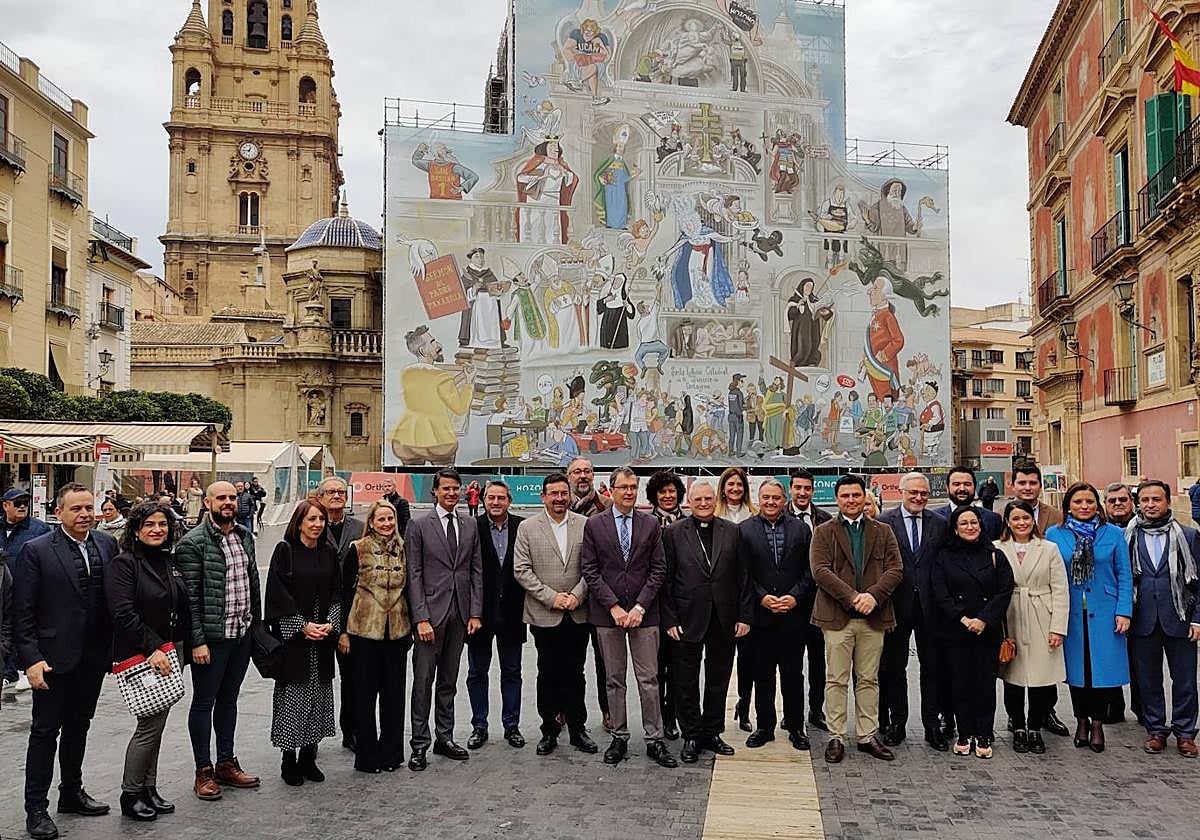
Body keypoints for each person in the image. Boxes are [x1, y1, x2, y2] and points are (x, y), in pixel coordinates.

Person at [13, 484, 118, 840]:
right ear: (58, 513)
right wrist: (31, 659)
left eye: (89, 507)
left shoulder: (106, 544)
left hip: (92, 659)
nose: (85, 514)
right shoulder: (36, 551)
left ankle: (71, 792)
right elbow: (22, 612)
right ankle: (36, 809)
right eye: (76, 509)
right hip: (52, 661)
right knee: (45, 734)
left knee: (79, 728)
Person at [582, 466, 677, 768]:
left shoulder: (650, 524)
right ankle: (619, 736)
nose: (629, 492)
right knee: (614, 679)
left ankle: (654, 738)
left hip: (644, 615)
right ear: (611, 490)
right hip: (608, 614)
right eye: (623, 487)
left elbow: (658, 569)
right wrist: (613, 606)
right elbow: (590, 570)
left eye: (633, 487)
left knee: (649, 678)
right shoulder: (595, 525)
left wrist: (639, 607)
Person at [104, 501, 191, 820]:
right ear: (136, 529)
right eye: (149, 525)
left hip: (170, 651)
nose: (157, 530)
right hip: (144, 654)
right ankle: (130, 794)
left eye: (163, 524)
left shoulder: (167, 560)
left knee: (158, 724)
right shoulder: (124, 564)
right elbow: (122, 614)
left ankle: (148, 788)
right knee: (148, 726)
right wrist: (153, 648)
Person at [175, 481, 262, 801]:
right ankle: (203, 770)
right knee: (203, 703)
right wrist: (197, 641)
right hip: (212, 639)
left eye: (232, 497)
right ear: (208, 502)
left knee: (229, 700)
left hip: (240, 635)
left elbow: (252, 584)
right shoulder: (192, 543)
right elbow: (191, 601)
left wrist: (255, 629)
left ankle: (226, 762)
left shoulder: (243, 536)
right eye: (221, 498)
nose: (228, 502)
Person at [810, 474, 904, 764]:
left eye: (856, 495)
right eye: (845, 496)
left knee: (868, 679)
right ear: (837, 499)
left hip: (873, 617)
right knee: (835, 679)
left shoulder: (883, 531)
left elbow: (895, 569)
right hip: (837, 617)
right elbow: (820, 570)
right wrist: (852, 597)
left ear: (865, 497)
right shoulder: (824, 531)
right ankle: (836, 736)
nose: (851, 500)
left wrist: (873, 596)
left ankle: (866, 735)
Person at [661, 481, 750, 763]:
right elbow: (666, 580)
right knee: (685, 681)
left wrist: (744, 616)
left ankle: (712, 731)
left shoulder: (733, 531)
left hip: (723, 619)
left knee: (718, 679)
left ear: (716, 499)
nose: (703, 503)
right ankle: (691, 734)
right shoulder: (673, 533)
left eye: (708, 499)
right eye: (698, 499)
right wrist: (670, 619)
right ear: (689, 501)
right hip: (687, 619)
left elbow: (744, 578)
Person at [513, 473, 597, 756]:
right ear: (543, 496)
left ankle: (577, 729)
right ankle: (549, 729)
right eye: (554, 493)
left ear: (570, 495)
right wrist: (552, 598)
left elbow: (593, 566)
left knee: (576, 672)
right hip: (544, 613)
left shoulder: (586, 526)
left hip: (577, 611)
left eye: (564, 493)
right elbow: (522, 570)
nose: (559, 498)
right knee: (547, 673)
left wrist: (576, 595)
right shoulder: (527, 527)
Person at [1045, 482, 1132, 754]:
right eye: (1078, 502)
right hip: (1070, 611)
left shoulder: (1113, 534)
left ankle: (1097, 724)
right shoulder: (1055, 534)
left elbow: (1124, 574)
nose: (1084, 507)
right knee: (1078, 672)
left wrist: (1124, 610)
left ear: (1098, 505)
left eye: (1090, 502)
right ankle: (1080, 720)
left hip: (1105, 610)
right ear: (1068, 505)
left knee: (1101, 672)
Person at [405, 468, 483, 771]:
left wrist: (475, 612)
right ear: (434, 492)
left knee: (449, 681)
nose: (452, 493)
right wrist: (420, 617)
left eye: (456, 488)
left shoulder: (470, 525)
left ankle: (444, 736)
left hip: (460, 614)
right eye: (446, 489)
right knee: (423, 681)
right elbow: (414, 574)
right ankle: (419, 744)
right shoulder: (419, 525)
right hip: (430, 616)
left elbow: (475, 570)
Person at [265, 499, 341, 786]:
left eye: (320, 519)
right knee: (293, 698)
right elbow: (276, 593)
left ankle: (309, 756)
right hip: (294, 640)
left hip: (322, 638)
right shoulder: (285, 551)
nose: (317, 525)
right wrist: (301, 626)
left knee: (318, 697)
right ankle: (289, 758)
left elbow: (337, 591)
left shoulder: (329, 552)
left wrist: (331, 624)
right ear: (299, 522)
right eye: (311, 519)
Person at [929, 507, 1014, 759]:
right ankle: (965, 732)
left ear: (981, 525)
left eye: (974, 522)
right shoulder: (944, 556)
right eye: (963, 523)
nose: (969, 527)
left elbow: (1004, 590)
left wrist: (984, 619)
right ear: (955, 528)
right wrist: (963, 618)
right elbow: (940, 591)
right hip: (956, 630)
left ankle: (984, 732)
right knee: (960, 684)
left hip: (986, 630)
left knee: (985, 685)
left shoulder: (995, 555)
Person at [1125, 480, 1200, 757]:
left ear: (1167, 501)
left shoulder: (1189, 536)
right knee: (1148, 679)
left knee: (1185, 680)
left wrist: (1198, 619)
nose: (1150, 505)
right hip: (1142, 619)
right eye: (1145, 500)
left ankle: (1185, 733)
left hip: (1180, 618)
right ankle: (1156, 730)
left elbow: (1198, 582)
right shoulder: (1128, 535)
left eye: (1156, 499)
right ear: (1139, 503)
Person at [876, 472, 950, 750]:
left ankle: (932, 725)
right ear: (901, 492)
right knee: (894, 668)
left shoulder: (940, 524)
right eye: (913, 493)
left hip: (931, 608)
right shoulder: (884, 523)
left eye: (924, 494)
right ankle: (897, 723)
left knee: (933, 668)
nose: (919, 498)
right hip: (896, 606)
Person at [339, 500, 411, 774]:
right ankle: (368, 757)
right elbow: (345, 592)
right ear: (370, 522)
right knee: (365, 696)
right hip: (364, 632)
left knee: (394, 697)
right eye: (381, 519)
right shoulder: (357, 549)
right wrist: (343, 632)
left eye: (390, 519)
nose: (386, 524)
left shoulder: (403, 550)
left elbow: (409, 589)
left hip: (396, 632)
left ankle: (391, 754)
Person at [741, 479, 814, 750]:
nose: (771, 502)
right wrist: (762, 597)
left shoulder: (801, 530)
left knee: (793, 674)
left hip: (793, 616)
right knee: (763, 674)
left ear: (784, 500)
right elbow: (742, 572)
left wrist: (795, 596)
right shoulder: (744, 530)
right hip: (761, 617)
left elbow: (810, 570)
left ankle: (796, 727)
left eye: (776, 498)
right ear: (759, 499)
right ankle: (765, 727)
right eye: (766, 497)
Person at [996, 501, 1068, 755]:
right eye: (1016, 518)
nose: (1022, 523)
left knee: (1041, 677)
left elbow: (1060, 589)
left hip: (1041, 615)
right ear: (1007, 522)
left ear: (1033, 520)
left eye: (1026, 518)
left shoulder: (1049, 548)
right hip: (1011, 615)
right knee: (1012, 676)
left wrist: (1058, 627)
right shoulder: (997, 548)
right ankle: (1018, 725)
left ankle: (1035, 726)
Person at [1008, 462, 1069, 735]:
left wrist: (1058, 623)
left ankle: (1046, 713)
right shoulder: (1001, 516)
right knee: (1013, 667)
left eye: (1033, 483)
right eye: (1022, 483)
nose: (1028, 488)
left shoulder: (1055, 516)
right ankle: (1016, 720)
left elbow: (1059, 580)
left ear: (1039, 486)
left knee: (1045, 667)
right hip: (1013, 608)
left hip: (1042, 602)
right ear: (1014, 485)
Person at [466, 481, 527, 750]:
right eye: (491, 498)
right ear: (483, 500)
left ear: (509, 501)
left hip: (513, 612)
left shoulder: (522, 527)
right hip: (480, 613)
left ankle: (511, 725)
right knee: (477, 672)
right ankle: (479, 725)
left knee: (512, 671)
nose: (495, 502)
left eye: (501, 498)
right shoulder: (472, 528)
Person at [317, 477, 365, 752]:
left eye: (340, 492)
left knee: (353, 676)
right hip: (317, 611)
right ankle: (311, 736)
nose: (336, 496)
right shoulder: (311, 524)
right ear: (320, 496)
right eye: (330, 492)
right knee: (315, 676)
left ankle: (352, 730)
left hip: (351, 611)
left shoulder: (358, 528)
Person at [566, 456, 612, 732]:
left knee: (605, 662)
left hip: (600, 601)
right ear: (568, 476)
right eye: (576, 472)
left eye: (587, 471)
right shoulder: (558, 505)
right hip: (568, 601)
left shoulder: (606, 507)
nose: (582, 476)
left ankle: (609, 711)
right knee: (570, 662)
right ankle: (566, 710)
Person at [787, 469, 832, 732]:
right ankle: (792, 711)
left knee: (818, 661)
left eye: (807, 488)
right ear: (791, 489)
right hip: (791, 601)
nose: (802, 493)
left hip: (820, 601)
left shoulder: (824, 519)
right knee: (792, 662)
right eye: (798, 488)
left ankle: (816, 709)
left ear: (813, 490)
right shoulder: (780, 517)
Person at [717, 466, 758, 732]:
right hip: (720, 600)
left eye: (739, 485)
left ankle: (744, 706)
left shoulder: (753, 516)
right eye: (730, 485)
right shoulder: (713, 515)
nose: (734, 489)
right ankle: (716, 710)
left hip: (748, 598)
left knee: (748, 660)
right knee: (720, 661)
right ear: (723, 488)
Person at [647, 470, 686, 741]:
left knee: (678, 666)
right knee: (655, 666)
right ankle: (658, 715)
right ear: (655, 495)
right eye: (663, 492)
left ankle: (673, 714)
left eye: (672, 491)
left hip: (682, 605)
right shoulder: (646, 522)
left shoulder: (690, 521)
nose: (668, 496)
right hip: (652, 605)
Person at [1, 487, 51, 692]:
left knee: (20, 628)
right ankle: (7, 671)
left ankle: (19, 670)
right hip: (3, 589)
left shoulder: (39, 529)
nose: (22, 506)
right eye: (17, 503)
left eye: (25, 503)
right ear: (5, 506)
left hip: (26, 588)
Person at [932, 466, 1004, 541]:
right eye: (956, 484)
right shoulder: (933, 519)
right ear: (947, 488)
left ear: (974, 487)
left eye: (967, 484)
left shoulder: (993, 519)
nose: (962, 488)